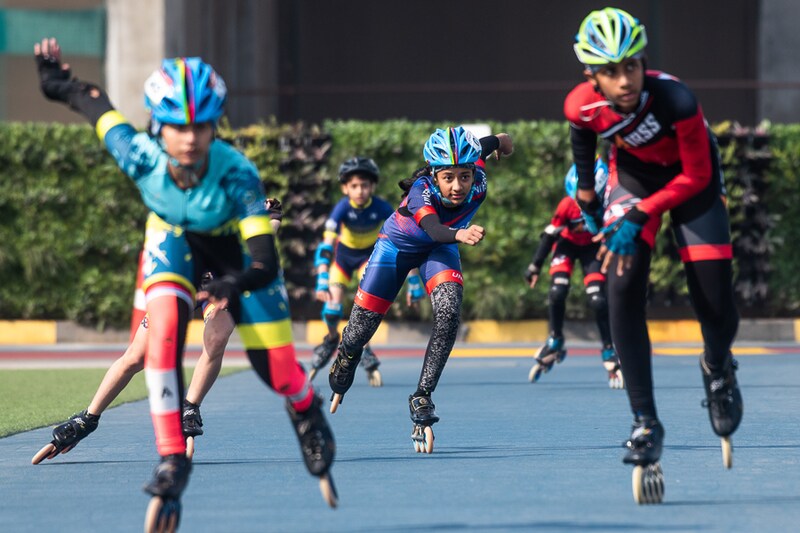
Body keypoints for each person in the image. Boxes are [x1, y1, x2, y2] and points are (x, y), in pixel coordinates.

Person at [34, 38, 338, 529]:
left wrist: (232, 285)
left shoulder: (238, 175)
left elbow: (262, 261)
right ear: (158, 127)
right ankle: (172, 457)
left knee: (278, 371)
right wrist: (57, 83)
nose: (191, 139)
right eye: (178, 126)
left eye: (201, 126)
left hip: (235, 255)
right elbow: (96, 106)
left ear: (216, 125)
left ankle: (306, 409)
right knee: (162, 337)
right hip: (173, 238)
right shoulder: (139, 155)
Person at [566, 8, 742, 501]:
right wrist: (587, 194)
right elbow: (583, 139)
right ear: (592, 75)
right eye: (611, 71)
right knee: (621, 287)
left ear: (644, 63)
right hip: (635, 178)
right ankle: (645, 420)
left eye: (632, 66)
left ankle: (717, 367)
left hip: (692, 183)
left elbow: (697, 176)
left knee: (714, 303)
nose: (625, 80)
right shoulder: (580, 104)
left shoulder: (675, 98)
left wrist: (641, 214)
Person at [31, 201, 283, 465]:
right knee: (135, 357)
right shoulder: (181, 199)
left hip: (224, 281)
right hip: (183, 278)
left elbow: (265, 239)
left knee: (217, 338)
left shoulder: (242, 197)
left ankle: (190, 408)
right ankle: (87, 419)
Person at [327, 126, 513, 454]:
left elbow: (490, 143)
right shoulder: (420, 191)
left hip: (438, 251)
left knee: (449, 312)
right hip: (397, 248)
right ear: (433, 174)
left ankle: (422, 395)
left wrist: (502, 142)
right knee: (359, 333)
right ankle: (347, 357)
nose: (458, 186)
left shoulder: (477, 173)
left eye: (465, 176)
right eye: (448, 178)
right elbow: (435, 229)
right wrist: (460, 234)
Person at [309, 157, 424, 385]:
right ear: (345, 188)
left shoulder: (381, 208)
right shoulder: (341, 208)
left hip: (368, 258)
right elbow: (326, 247)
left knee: (365, 309)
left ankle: (364, 346)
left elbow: (403, 242)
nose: (360, 191)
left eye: (364, 185)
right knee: (332, 310)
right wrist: (322, 277)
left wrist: (413, 281)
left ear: (372, 187)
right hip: (343, 260)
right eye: (354, 186)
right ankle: (331, 338)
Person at [524, 160, 623, 388]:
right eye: (576, 198)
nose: (580, 204)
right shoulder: (566, 205)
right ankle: (555, 339)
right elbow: (550, 234)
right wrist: (535, 265)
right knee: (557, 292)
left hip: (592, 249)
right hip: (567, 246)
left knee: (597, 299)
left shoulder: (607, 205)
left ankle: (609, 348)